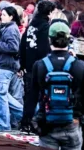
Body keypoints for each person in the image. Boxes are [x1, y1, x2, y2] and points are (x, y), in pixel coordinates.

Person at [27, 22, 84, 150]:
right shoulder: (80, 66)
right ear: (69, 39)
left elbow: (32, 96)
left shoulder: (39, 65)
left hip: (47, 122)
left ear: (49, 39)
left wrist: (29, 120)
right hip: (72, 123)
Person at [20, 0, 56, 132]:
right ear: (50, 12)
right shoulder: (45, 26)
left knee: (30, 96)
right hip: (41, 66)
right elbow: (43, 48)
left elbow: (22, 44)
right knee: (42, 97)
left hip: (29, 66)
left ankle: (26, 122)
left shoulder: (31, 24)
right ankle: (38, 123)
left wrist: (23, 64)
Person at [0, 6, 23, 132]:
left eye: (3, 14)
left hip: (6, 66)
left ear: (11, 16)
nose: (1, 17)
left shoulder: (11, 30)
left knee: (1, 95)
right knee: (3, 94)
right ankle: (24, 115)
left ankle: (3, 123)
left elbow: (13, 47)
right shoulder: (9, 28)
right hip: (6, 65)